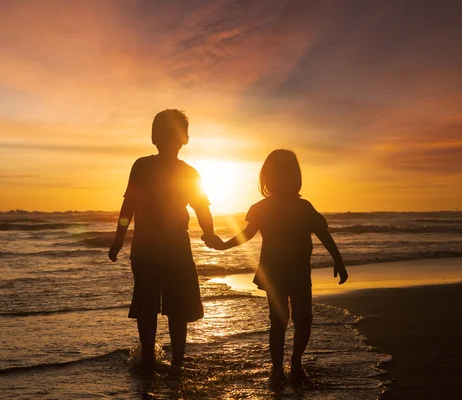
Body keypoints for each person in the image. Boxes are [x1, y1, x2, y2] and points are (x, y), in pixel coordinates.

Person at [204, 149, 348, 384]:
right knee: (286, 320)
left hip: (294, 271)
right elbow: (247, 235)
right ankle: (281, 368)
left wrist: (339, 261)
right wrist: (222, 247)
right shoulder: (264, 208)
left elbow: (323, 234)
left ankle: (291, 365)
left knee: (297, 320)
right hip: (278, 272)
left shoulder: (302, 207)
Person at [108, 109, 221, 372]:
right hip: (164, 250)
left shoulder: (147, 167)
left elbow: (129, 207)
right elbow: (202, 209)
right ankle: (172, 362)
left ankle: (155, 360)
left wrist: (119, 238)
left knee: (158, 307)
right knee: (173, 309)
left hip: (158, 249)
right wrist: (209, 233)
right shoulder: (163, 169)